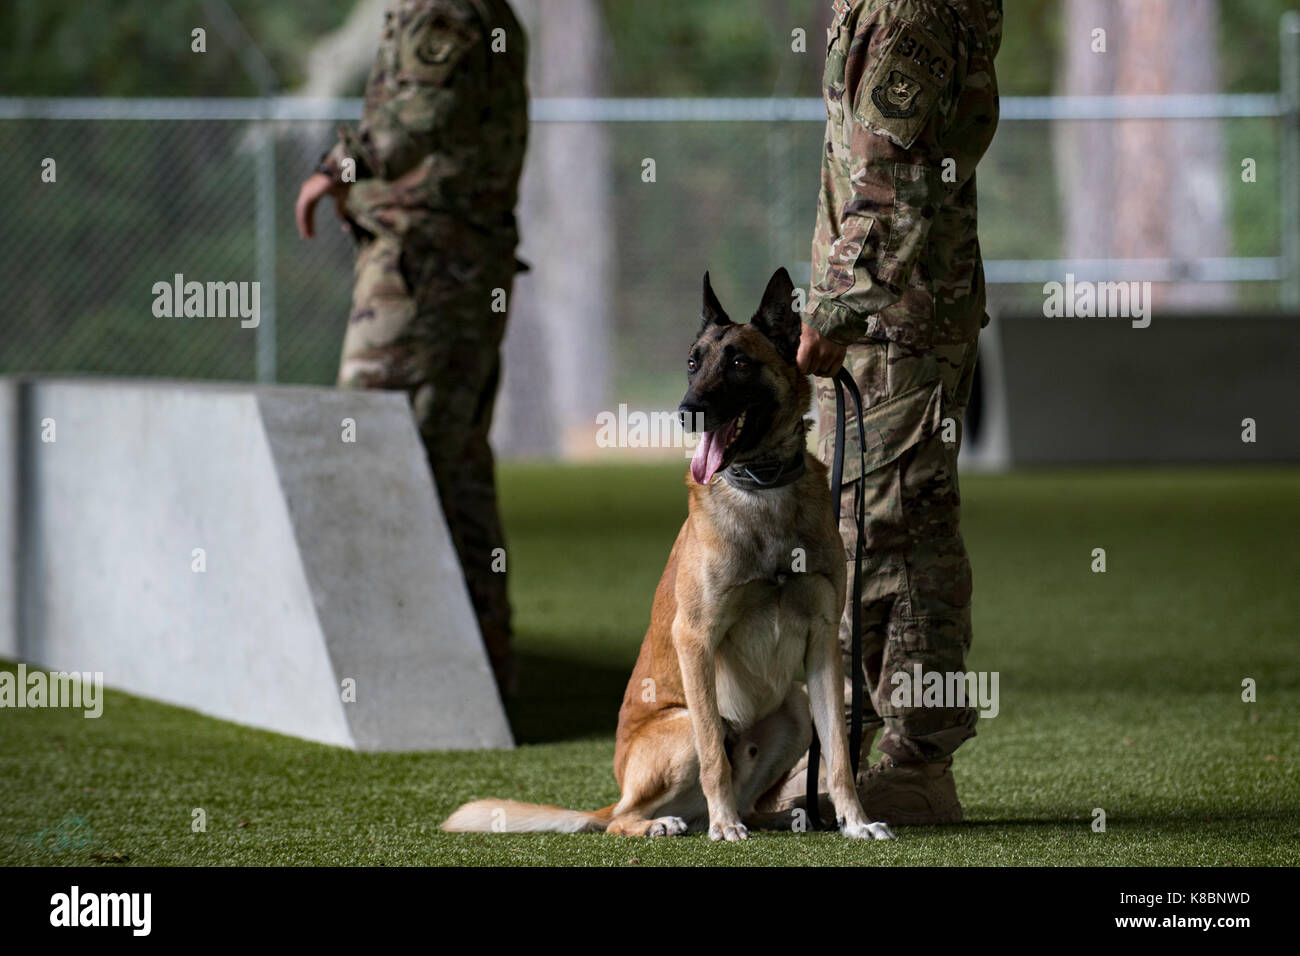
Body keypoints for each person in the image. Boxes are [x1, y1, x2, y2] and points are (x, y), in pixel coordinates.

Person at [785, 0, 1002, 824]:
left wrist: (836, 311)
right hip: (897, 319)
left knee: (892, 533)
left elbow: (891, 181)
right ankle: (842, 759)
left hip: (896, 326)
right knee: (873, 526)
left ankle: (911, 766)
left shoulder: (905, 9)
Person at [295, 0, 528, 695]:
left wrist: (337, 167)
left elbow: (417, 119)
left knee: (380, 445)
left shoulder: (445, 7)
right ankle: (470, 665)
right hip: (443, 262)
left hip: (428, 267)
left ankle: (401, 667)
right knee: (445, 456)